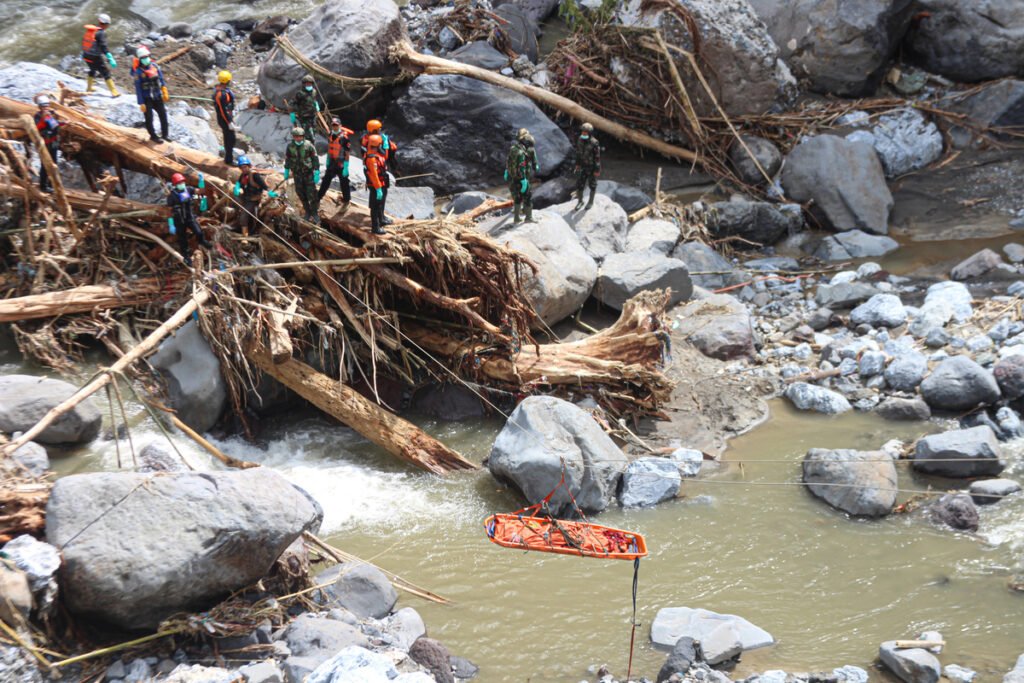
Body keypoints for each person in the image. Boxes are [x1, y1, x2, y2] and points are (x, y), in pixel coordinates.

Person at [167, 172, 211, 266]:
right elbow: (169, 211)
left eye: (182, 182)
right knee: (182, 240)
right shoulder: (172, 196)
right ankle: (186, 257)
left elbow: (201, 191)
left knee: (198, 232)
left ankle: (202, 241)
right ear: (175, 184)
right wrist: (171, 224)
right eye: (179, 183)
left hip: (190, 217)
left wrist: (201, 181)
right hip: (179, 220)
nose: (181, 184)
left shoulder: (189, 189)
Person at [360, 119, 398, 225]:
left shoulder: (370, 140)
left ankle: (381, 217)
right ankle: (376, 223)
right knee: (376, 200)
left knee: (382, 196)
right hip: (374, 174)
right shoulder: (370, 144)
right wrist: (378, 188)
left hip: (380, 173)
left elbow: (385, 155)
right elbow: (383, 155)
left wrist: (386, 144)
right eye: (379, 128)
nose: (380, 130)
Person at [132, 46, 170, 143]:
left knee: (163, 115)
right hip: (147, 98)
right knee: (149, 118)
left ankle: (165, 135)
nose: (146, 59)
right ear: (140, 59)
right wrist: (141, 103)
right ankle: (153, 136)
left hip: (157, 96)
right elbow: (138, 88)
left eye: (147, 57)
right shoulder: (138, 72)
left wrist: (164, 90)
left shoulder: (155, 67)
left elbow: (161, 79)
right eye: (143, 58)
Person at [232, 156, 277, 237]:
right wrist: (237, 187)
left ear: (249, 166)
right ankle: (237, 224)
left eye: (245, 167)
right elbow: (238, 183)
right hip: (245, 197)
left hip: (253, 199)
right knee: (234, 198)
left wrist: (270, 192)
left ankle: (245, 235)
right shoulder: (243, 175)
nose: (243, 169)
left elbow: (264, 185)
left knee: (244, 215)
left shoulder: (255, 175)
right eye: (242, 168)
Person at [284, 125, 320, 223]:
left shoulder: (308, 145)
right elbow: (288, 158)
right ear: (293, 137)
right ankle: (307, 211)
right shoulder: (290, 146)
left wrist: (317, 171)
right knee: (301, 193)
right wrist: (286, 170)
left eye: (300, 136)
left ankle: (314, 213)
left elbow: (315, 158)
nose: (298, 138)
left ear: (303, 136)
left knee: (311, 194)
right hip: (297, 174)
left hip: (308, 174)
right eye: (296, 136)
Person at [81, 14, 120, 97]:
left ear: (99, 21)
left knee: (92, 70)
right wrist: (110, 58)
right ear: (106, 24)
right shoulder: (101, 33)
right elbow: (103, 46)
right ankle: (114, 92)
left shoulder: (92, 30)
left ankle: (89, 88)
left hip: (86, 55)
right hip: (95, 57)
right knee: (105, 72)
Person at [318, 117, 352, 206]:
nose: (335, 127)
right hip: (332, 162)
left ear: (340, 125)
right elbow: (330, 148)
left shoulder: (344, 138)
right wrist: (328, 160)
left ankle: (346, 200)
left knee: (344, 182)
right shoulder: (331, 135)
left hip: (341, 163)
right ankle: (318, 197)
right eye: (333, 125)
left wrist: (346, 166)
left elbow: (347, 152)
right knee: (326, 180)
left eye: (336, 125)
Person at [505, 128, 534, 224]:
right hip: (521, 178)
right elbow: (521, 167)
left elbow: (508, 161)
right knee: (527, 197)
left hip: (513, 178)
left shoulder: (513, 148)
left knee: (517, 198)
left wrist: (506, 171)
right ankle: (528, 218)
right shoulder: (521, 153)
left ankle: (516, 218)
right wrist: (523, 180)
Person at [32, 96, 61, 193]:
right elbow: (37, 128)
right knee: (45, 165)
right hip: (45, 144)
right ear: (40, 107)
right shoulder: (37, 116)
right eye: (44, 106)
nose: (46, 108)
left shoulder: (50, 115)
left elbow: (55, 125)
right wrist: (43, 118)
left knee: (54, 164)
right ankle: (43, 186)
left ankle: (51, 184)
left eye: (47, 106)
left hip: (53, 142)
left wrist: (64, 123)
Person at [573, 122, 601, 211]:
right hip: (582, 166)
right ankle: (580, 201)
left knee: (592, 185)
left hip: (591, 167)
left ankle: (591, 201)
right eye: (582, 131)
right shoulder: (580, 140)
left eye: (585, 132)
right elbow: (578, 153)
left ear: (589, 133)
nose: (583, 133)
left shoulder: (594, 143)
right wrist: (577, 164)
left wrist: (597, 169)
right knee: (579, 184)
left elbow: (597, 157)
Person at [364, 134, 387, 235]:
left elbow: (384, 157)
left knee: (378, 205)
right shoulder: (371, 159)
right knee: (375, 207)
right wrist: (378, 189)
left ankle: (379, 222)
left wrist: (386, 146)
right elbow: (374, 175)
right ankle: (375, 228)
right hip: (375, 186)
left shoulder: (373, 154)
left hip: (378, 184)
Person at [213, 71, 236, 165]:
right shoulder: (221, 94)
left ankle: (228, 157)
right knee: (230, 139)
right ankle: (229, 160)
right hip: (224, 119)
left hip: (225, 118)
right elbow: (223, 110)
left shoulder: (222, 91)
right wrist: (229, 122)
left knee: (229, 138)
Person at [291, 74, 319, 142]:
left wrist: (316, 106)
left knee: (314, 132)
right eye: (307, 83)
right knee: (307, 135)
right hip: (304, 117)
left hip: (313, 116)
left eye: (310, 83)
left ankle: (311, 147)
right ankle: (307, 146)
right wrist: (293, 115)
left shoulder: (314, 92)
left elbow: (314, 100)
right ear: (304, 84)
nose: (309, 85)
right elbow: (293, 103)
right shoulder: (300, 93)